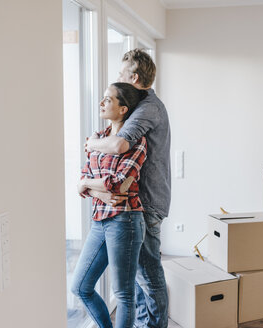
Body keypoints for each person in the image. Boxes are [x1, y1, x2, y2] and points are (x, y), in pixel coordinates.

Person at [86, 49, 171, 328]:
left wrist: (89, 143)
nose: (117, 79)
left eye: (121, 74)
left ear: (134, 77)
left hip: (145, 203)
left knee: (148, 276)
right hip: (137, 202)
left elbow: (119, 145)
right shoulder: (143, 106)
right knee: (139, 277)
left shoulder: (148, 108)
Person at [71, 82, 149, 328]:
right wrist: (94, 187)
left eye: (108, 99)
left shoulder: (136, 142)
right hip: (99, 219)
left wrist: (90, 185)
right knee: (81, 286)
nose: (101, 103)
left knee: (124, 293)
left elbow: (119, 186)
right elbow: (82, 181)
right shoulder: (98, 138)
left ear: (123, 108)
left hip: (125, 220)